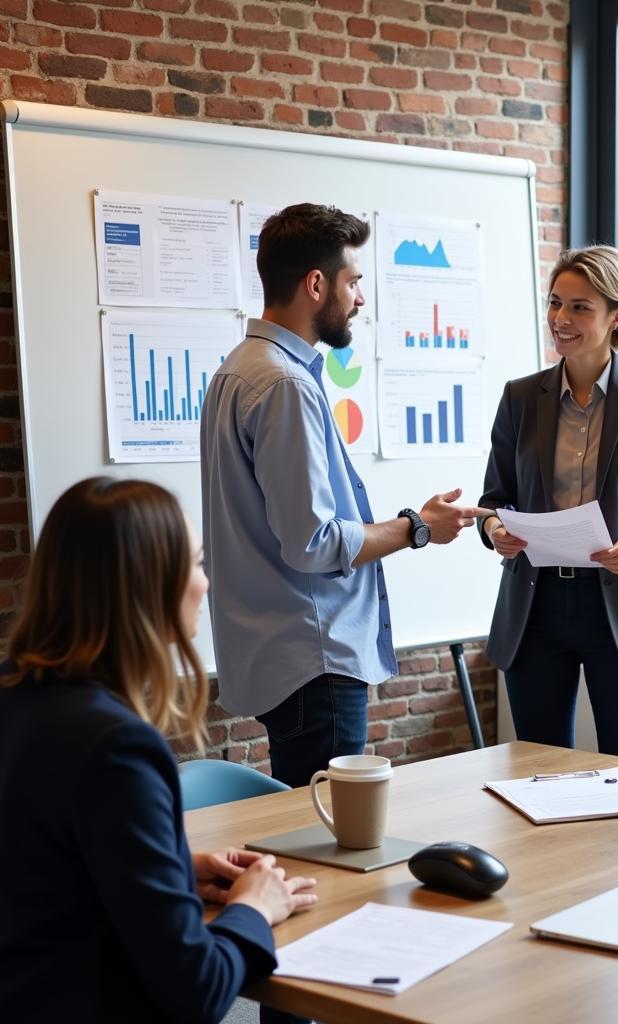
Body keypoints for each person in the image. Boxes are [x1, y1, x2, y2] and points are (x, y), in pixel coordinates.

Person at [0, 477, 318, 1024]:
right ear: (150, 587)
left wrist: (168, 869)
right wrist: (254, 908)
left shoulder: (14, 696)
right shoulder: (115, 746)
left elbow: (37, 869)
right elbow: (196, 989)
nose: (206, 583)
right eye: (195, 564)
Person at [200, 203, 487, 789]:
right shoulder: (284, 385)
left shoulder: (238, 370)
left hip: (281, 655)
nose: (360, 299)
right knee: (330, 848)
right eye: (353, 282)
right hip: (315, 658)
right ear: (315, 284)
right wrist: (418, 525)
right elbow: (313, 542)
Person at [478, 245, 618, 760]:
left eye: (580, 307)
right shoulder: (519, 397)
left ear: (616, 315)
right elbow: (493, 501)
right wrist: (495, 532)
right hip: (536, 607)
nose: (560, 318)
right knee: (539, 772)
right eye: (556, 303)